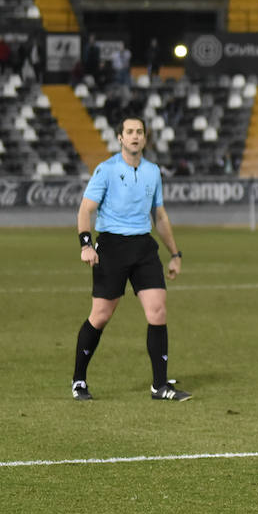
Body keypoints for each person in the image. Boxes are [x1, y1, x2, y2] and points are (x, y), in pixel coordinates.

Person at [72, 116, 188, 402]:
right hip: (111, 246)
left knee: (157, 311)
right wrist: (86, 245)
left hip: (143, 248)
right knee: (100, 316)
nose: (135, 136)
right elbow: (85, 210)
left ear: (145, 139)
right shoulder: (106, 170)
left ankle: (159, 386)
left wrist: (175, 254)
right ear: (120, 138)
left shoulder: (152, 172)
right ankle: (78, 380)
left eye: (139, 132)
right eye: (129, 132)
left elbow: (159, 215)